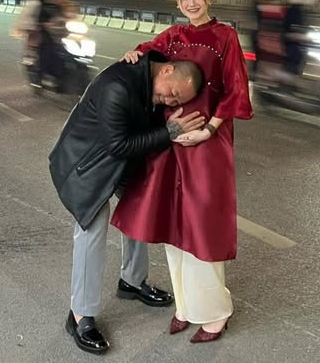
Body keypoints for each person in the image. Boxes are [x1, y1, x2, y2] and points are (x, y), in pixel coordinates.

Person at [111, 0, 253, 344]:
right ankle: (186, 307)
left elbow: (236, 91)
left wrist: (210, 130)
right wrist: (136, 53)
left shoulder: (226, 36)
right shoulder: (173, 36)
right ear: (178, 2)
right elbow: (148, 52)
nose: (191, 3)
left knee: (202, 225)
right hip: (170, 141)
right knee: (173, 224)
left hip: (207, 143)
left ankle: (216, 313)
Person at [49, 51, 207, 354]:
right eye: (172, 94)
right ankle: (79, 315)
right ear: (167, 71)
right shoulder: (116, 86)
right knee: (92, 230)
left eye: (176, 101)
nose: (170, 101)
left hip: (119, 163)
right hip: (86, 167)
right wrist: (170, 132)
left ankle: (132, 281)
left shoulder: (148, 71)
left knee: (138, 209)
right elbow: (118, 145)